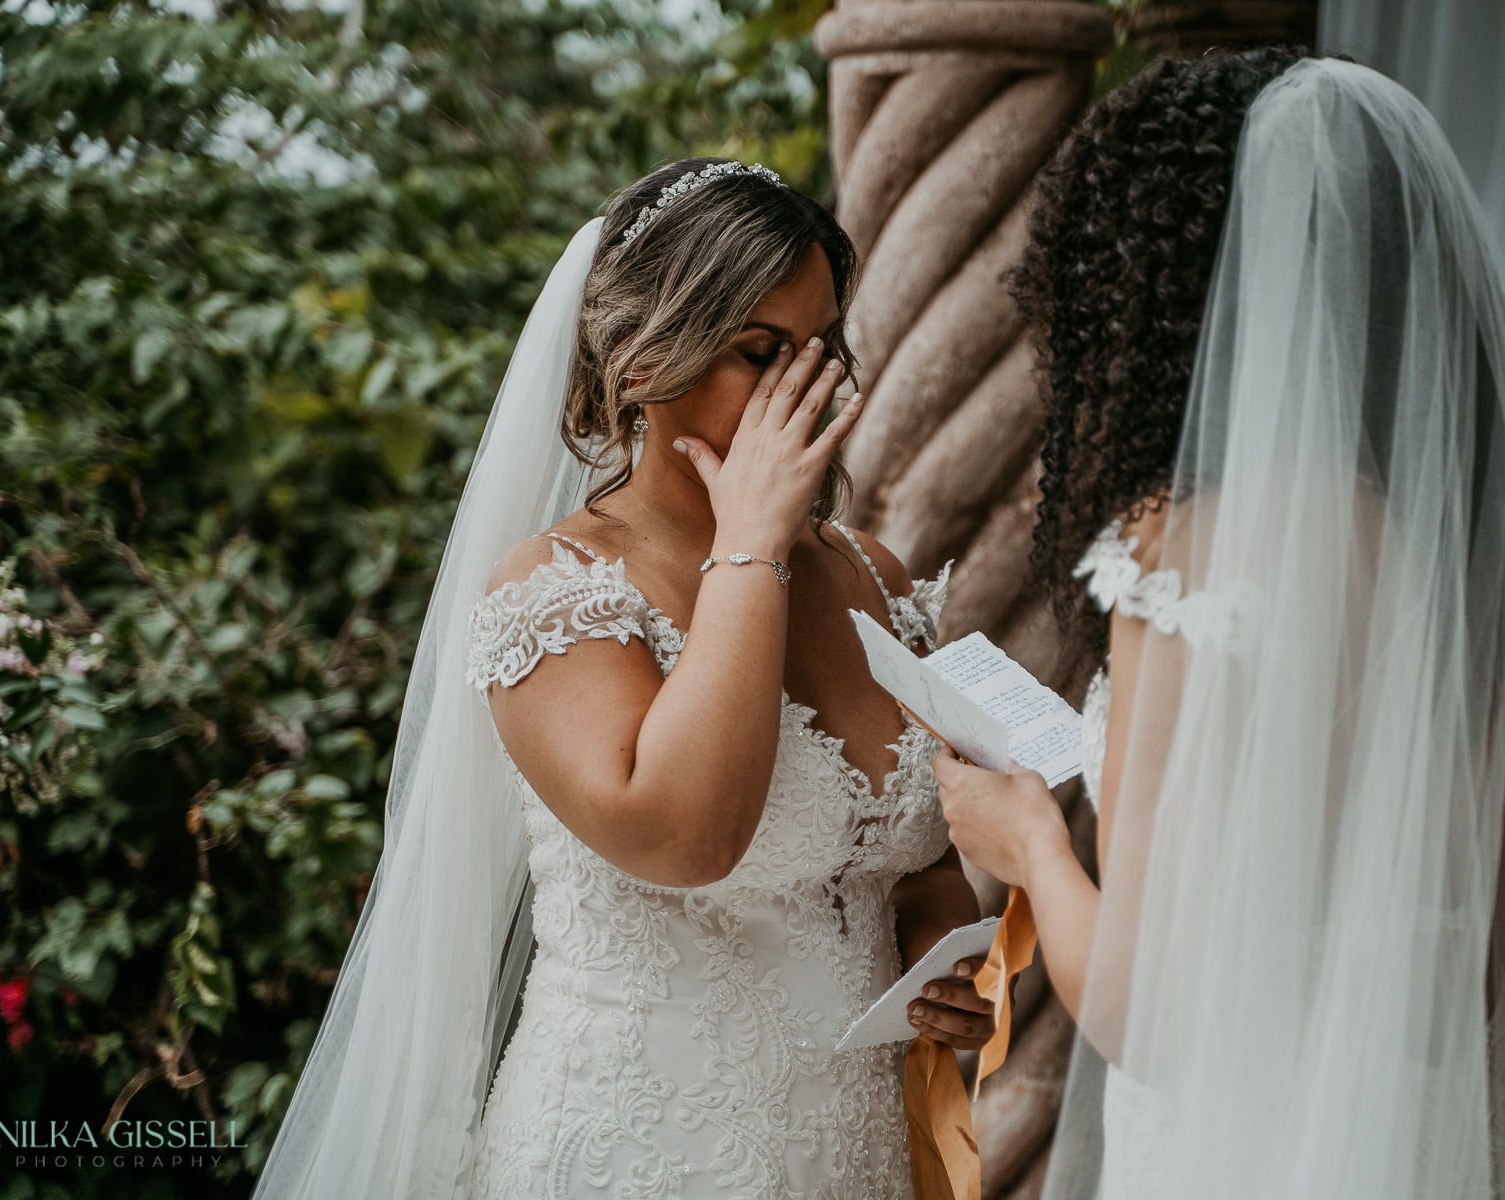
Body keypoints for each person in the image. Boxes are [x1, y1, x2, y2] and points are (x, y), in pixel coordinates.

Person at [936, 53, 1505, 1199]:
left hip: (1259, 1146)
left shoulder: (1186, 542)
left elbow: (1153, 1011)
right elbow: (1503, 953)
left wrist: (1026, 838)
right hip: (1467, 1126)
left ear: (1146, 295)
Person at [255, 159, 995, 1200]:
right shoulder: (559, 594)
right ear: (646, 359)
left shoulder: (876, 575)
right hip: (637, 1150)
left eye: (822, 350)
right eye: (759, 352)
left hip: (852, 1154)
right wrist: (749, 547)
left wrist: (938, 956)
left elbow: (911, 861)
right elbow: (686, 835)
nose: (807, 389)